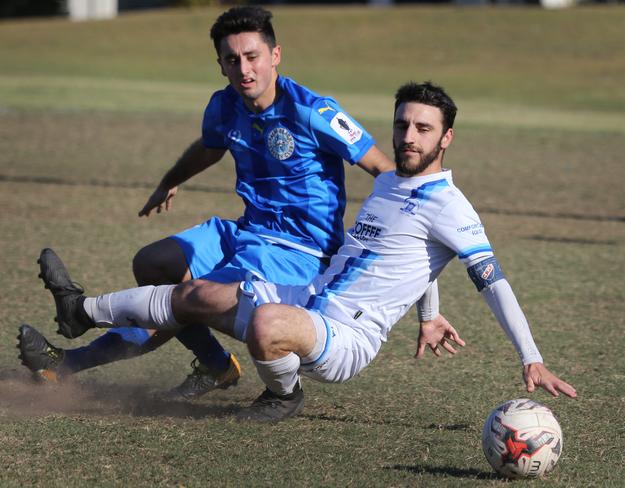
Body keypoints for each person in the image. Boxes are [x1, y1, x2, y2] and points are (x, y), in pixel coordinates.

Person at [21, 82, 577, 423]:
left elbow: (492, 280)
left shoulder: (451, 206)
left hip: (347, 336)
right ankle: (81, 310)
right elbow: (412, 257)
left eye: (423, 129)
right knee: (195, 291)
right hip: (310, 296)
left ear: (446, 138)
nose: (409, 136)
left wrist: (530, 357)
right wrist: (429, 316)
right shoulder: (389, 187)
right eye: (403, 124)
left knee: (266, 324)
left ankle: (283, 395)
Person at [18, 6, 400, 399]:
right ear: (220, 64)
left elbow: (387, 173)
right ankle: (216, 366)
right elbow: (210, 147)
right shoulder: (224, 106)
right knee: (153, 263)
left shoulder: (313, 111)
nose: (244, 69)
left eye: (252, 56)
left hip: (299, 251)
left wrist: (411, 276)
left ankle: (67, 363)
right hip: (246, 231)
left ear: (275, 55)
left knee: (185, 299)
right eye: (232, 60)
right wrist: (171, 181)